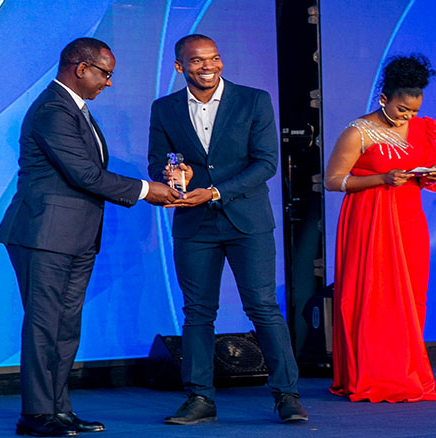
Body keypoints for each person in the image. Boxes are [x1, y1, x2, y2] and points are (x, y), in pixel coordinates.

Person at [0, 37, 180, 437]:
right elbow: (84, 175)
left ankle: (59, 410)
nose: (108, 83)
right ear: (81, 68)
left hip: (75, 237)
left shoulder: (75, 109)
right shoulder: (52, 110)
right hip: (44, 236)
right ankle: (35, 414)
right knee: (44, 326)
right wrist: (146, 190)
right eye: (105, 74)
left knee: (65, 328)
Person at [147, 34, 308, 424]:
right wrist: (174, 174)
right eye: (197, 60)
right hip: (194, 224)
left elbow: (266, 163)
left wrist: (216, 191)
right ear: (179, 67)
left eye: (214, 58)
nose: (208, 66)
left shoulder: (253, 100)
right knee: (198, 312)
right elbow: (157, 163)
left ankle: (287, 396)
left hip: (247, 221)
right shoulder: (164, 108)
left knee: (262, 308)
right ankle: (199, 398)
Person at [324, 54, 436, 403]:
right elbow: (333, 181)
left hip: (408, 219)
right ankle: (371, 374)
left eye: (413, 110)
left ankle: (404, 371)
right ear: (384, 98)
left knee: (411, 296)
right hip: (369, 221)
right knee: (373, 295)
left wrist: (431, 175)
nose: (407, 117)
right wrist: (381, 178)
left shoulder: (425, 128)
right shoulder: (358, 132)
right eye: (401, 109)